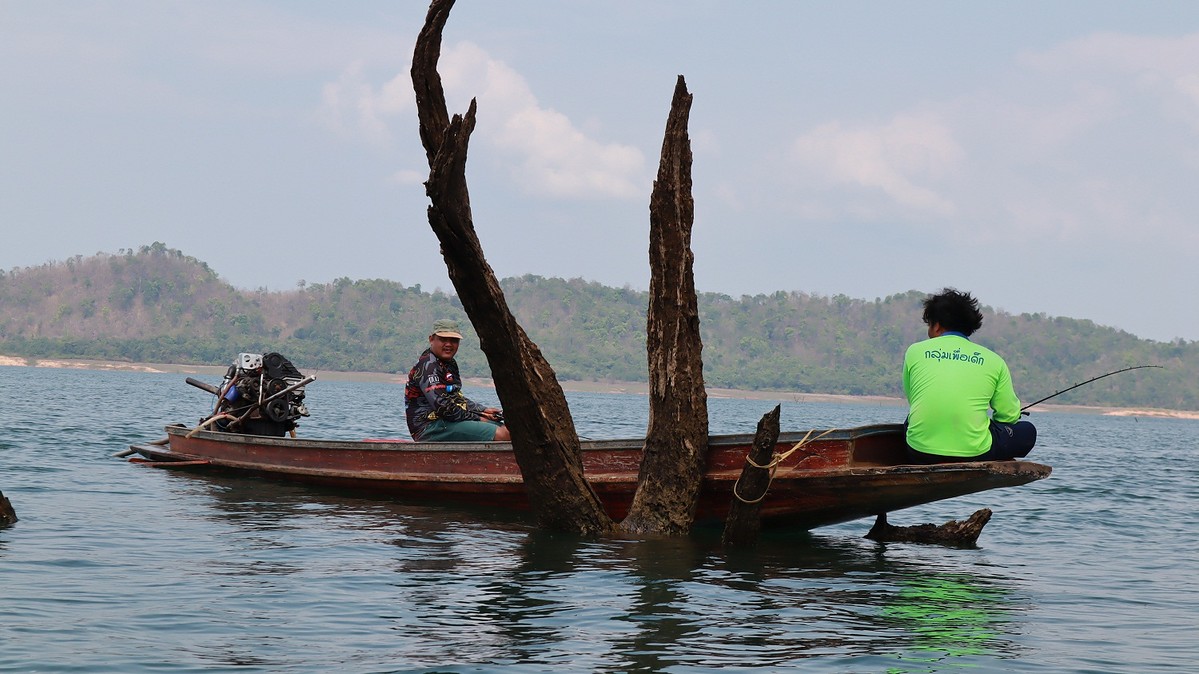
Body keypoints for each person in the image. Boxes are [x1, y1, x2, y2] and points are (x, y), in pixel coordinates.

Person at [902, 288, 1036, 463]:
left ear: (936, 325)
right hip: (976, 453)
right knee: (1027, 431)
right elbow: (1008, 416)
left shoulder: (915, 351)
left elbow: (914, 399)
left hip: (919, 450)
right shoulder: (994, 361)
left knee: (910, 420)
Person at [405, 319, 510, 442]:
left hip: (446, 422)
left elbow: (455, 397)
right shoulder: (429, 366)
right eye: (443, 339)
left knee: (505, 428)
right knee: (504, 434)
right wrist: (479, 418)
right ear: (431, 339)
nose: (449, 344)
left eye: (454, 340)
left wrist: (482, 410)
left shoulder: (449, 363)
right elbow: (444, 407)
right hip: (429, 427)